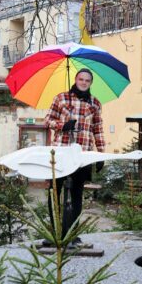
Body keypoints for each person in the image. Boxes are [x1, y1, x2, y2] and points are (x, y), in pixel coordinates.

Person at [44, 68, 105, 246]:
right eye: (81, 79)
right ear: (75, 79)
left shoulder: (95, 103)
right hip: (61, 152)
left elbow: (98, 130)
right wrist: (63, 125)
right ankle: (56, 233)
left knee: (77, 193)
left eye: (87, 80)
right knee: (54, 192)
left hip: (82, 154)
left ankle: (73, 235)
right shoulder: (61, 98)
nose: (84, 82)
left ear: (90, 83)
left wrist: (100, 155)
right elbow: (47, 121)